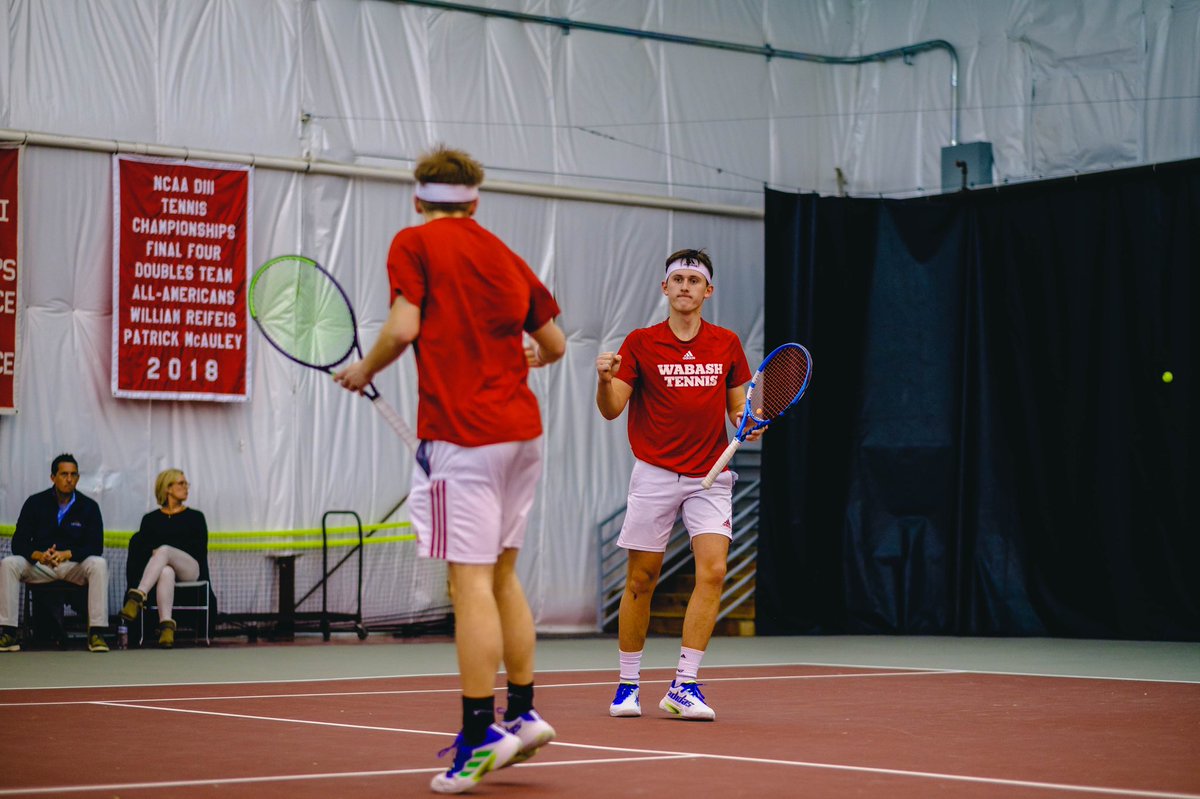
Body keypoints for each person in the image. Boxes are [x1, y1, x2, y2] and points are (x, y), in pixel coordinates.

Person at [333, 145, 566, 794]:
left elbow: (404, 326)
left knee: (468, 584)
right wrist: (514, 362)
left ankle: (477, 735)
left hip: (462, 440)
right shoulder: (505, 254)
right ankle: (521, 713)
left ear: (418, 199)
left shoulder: (413, 243)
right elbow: (554, 344)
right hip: (523, 435)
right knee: (503, 575)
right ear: (474, 200)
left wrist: (364, 369)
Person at [596, 248, 761, 722]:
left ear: (708, 291)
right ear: (664, 288)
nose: (686, 286)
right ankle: (628, 685)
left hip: (711, 477)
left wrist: (751, 423)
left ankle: (684, 686)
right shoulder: (641, 343)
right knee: (641, 580)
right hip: (654, 474)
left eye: (695, 280)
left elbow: (738, 411)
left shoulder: (727, 344)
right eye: (678, 279)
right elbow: (611, 409)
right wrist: (604, 380)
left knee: (713, 572)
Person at [0, 454, 110, 653]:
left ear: (77, 478)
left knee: (98, 563)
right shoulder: (35, 503)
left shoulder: (89, 507)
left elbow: (95, 546)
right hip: (41, 566)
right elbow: (19, 543)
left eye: (73, 475)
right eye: (64, 474)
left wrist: (68, 553)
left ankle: (96, 633)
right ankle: (9, 633)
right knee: (9, 563)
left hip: (72, 566)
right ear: (53, 477)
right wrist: (38, 555)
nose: (69, 479)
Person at [120, 469, 210, 648]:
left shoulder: (196, 517)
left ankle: (138, 597)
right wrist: (160, 555)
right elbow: (143, 548)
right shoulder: (150, 519)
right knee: (166, 571)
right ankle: (166, 627)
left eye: (186, 484)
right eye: (181, 483)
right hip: (162, 570)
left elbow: (198, 549)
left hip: (190, 569)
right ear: (168, 488)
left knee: (165, 551)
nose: (186, 488)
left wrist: (164, 553)